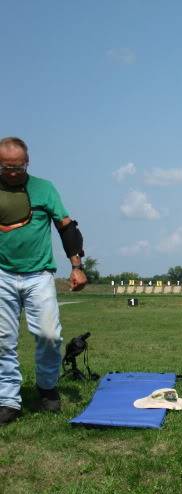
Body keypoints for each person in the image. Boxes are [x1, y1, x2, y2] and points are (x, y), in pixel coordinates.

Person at [0, 137, 87, 426]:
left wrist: (77, 267)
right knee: (3, 341)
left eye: (18, 167)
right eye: (6, 167)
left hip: (39, 275)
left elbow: (67, 228)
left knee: (50, 335)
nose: (12, 173)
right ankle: (8, 399)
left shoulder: (44, 188)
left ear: (27, 163)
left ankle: (47, 388)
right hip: (2, 275)